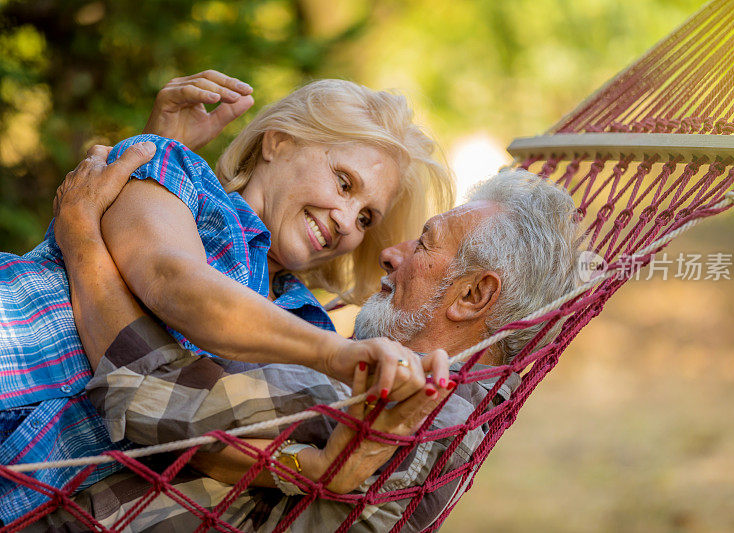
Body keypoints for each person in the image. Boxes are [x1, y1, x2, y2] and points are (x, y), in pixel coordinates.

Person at [25, 153, 581, 531]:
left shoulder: (401, 406)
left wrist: (80, 234)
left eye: (425, 243)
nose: (391, 251)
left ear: (473, 296)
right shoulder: (450, 405)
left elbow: (146, 389)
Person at [0, 72, 454, 525]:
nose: (347, 221)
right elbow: (171, 279)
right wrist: (337, 354)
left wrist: (314, 466)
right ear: (277, 142)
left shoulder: (304, 323)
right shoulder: (174, 170)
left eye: (367, 217)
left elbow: (207, 437)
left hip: (27, 484)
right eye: (343, 183)